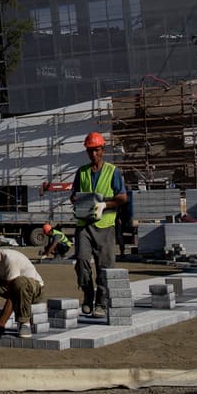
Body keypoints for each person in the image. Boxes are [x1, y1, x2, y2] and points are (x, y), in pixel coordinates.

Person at [70, 131, 127, 317]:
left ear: (103, 150)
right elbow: (73, 194)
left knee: (105, 265)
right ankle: (87, 296)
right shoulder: (82, 172)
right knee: (81, 259)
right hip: (84, 224)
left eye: (96, 150)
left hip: (105, 225)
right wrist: (78, 200)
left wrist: (105, 204)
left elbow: (122, 197)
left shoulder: (113, 171)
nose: (93, 154)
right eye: (90, 151)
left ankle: (101, 303)